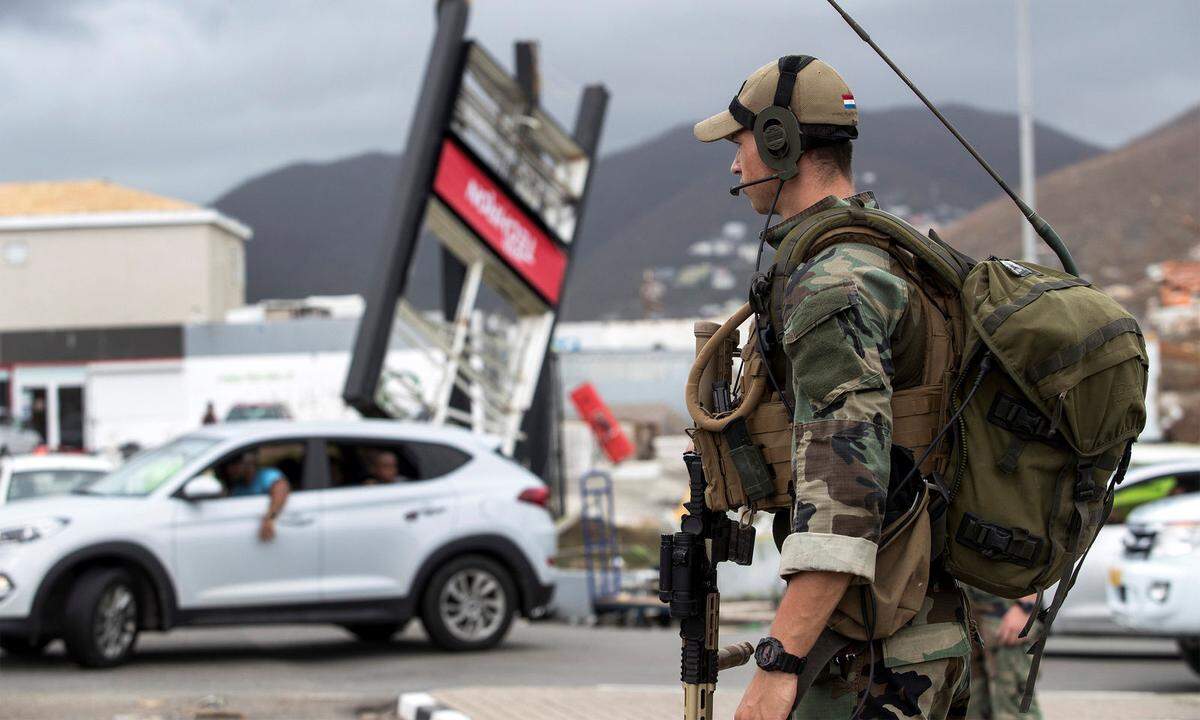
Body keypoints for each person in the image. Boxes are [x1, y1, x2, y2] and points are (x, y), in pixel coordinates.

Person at [692, 57, 971, 720]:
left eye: (742, 143)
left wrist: (778, 664)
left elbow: (846, 486)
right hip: (912, 629)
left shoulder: (831, 286)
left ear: (782, 142)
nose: (735, 165)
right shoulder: (882, 256)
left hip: (875, 653)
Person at [965, 587, 1042, 720]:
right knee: (971, 706)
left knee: (1012, 707)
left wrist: (1025, 607)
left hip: (1005, 618)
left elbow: (1043, 568)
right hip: (966, 614)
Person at [219, 450, 291, 541]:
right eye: (228, 466)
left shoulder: (265, 475)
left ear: (248, 462)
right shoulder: (238, 488)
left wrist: (270, 518)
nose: (229, 470)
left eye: (234, 464)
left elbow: (281, 487)